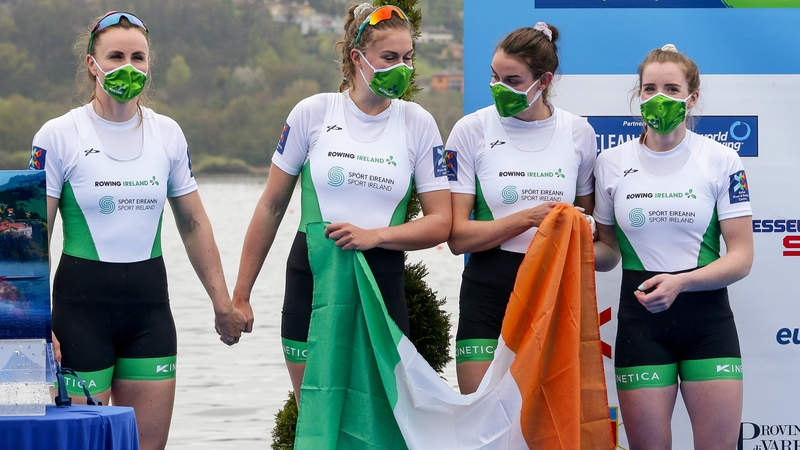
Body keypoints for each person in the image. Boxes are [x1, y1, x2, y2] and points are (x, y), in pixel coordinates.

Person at [29, 11, 247, 450]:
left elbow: (193, 223)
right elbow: (34, 237)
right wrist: (35, 324)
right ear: (92, 64)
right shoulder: (58, 135)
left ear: (149, 64)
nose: (128, 67)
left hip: (150, 316)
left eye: (138, 57)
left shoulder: (168, 134)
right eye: (116, 56)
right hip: (78, 318)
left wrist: (222, 302)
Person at [232, 3, 451, 404]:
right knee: (316, 416)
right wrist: (241, 294)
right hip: (312, 284)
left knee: (382, 421)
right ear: (357, 58)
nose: (402, 68)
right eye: (389, 57)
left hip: (381, 286)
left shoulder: (418, 123)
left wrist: (376, 236)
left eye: (408, 58)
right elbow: (271, 206)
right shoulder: (313, 113)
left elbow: (441, 222)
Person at [592, 44, 753, 449]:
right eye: (649, 88)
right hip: (642, 326)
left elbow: (741, 257)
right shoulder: (610, 162)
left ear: (691, 98)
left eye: (671, 89)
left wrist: (681, 283)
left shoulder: (722, 159)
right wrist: (562, 244)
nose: (658, 97)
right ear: (638, 93)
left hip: (708, 324)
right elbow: (608, 253)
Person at [445, 23, 597, 394]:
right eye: (494, 77)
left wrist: (582, 226)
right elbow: (457, 238)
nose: (500, 88)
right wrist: (528, 218)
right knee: (480, 418)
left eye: (513, 80)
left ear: (544, 81)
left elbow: (593, 232)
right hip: (487, 292)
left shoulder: (579, 133)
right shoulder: (470, 130)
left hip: (552, 293)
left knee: (544, 422)